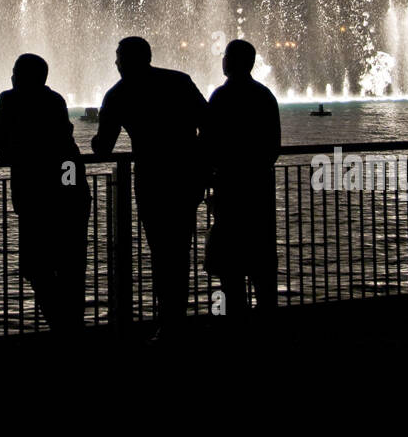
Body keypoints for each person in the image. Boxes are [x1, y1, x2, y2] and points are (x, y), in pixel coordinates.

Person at [91, 36, 207, 339]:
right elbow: (210, 123)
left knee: (161, 251)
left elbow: (103, 148)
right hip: (186, 178)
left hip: (152, 181)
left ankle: (168, 324)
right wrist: (202, 163)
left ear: (128, 60)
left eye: (118, 57)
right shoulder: (179, 81)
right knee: (180, 250)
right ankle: (176, 320)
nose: (115, 62)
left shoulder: (118, 95)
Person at [0, 53, 90, 334]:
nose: (11, 76)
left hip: (35, 198)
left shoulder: (9, 100)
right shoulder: (55, 100)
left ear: (21, 76)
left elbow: (2, 149)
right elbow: (64, 141)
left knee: (37, 267)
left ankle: (62, 328)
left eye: (14, 71)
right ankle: (72, 328)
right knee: (71, 267)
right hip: (71, 195)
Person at [202, 39, 281, 315]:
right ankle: (267, 321)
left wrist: (214, 176)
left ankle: (235, 322)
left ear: (232, 61)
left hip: (230, 191)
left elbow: (208, 143)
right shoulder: (265, 96)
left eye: (225, 56)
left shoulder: (221, 98)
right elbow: (273, 145)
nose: (222, 60)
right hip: (259, 190)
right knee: (261, 262)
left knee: (230, 267)